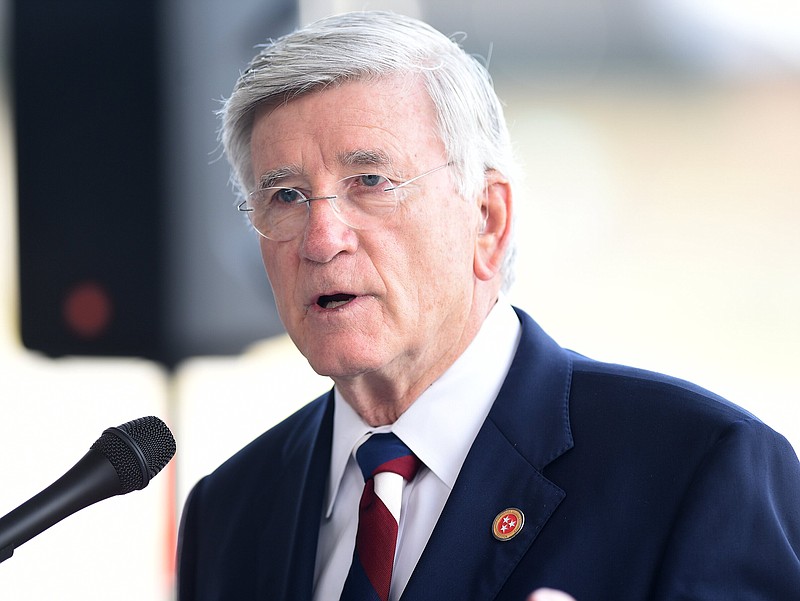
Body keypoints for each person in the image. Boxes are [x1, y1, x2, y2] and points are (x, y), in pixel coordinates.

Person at [176, 11, 800, 601]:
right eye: (286, 196)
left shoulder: (701, 467)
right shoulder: (228, 511)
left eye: (370, 182)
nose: (321, 239)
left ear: (487, 219)